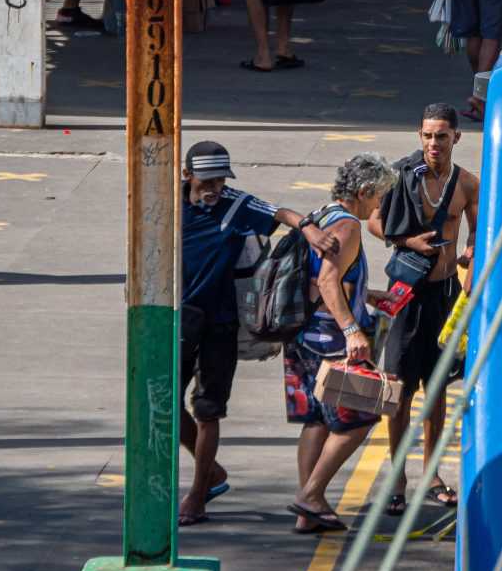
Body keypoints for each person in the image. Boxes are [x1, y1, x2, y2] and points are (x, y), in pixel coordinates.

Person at [178, 140, 338, 526]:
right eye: (207, 180)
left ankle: (198, 496)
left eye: (220, 179)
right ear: (187, 176)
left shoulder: (235, 204)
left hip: (221, 321)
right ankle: (211, 471)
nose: (215, 187)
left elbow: (279, 212)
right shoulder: (167, 203)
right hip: (176, 316)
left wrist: (309, 229)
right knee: (164, 404)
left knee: (208, 410)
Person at [367, 105, 479, 512]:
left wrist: (469, 250)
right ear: (420, 135)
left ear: (456, 138)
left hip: (444, 295)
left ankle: (431, 474)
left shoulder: (467, 183)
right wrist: (407, 241)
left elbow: (479, 229)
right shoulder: (401, 177)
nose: (434, 144)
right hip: (406, 293)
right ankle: (396, 478)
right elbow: (374, 222)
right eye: (428, 136)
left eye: (442, 136)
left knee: (435, 392)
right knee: (397, 387)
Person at [285, 152, 399, 534]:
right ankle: (311, 495)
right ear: (364, 191)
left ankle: (308, 510)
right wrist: (352, 329)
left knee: (317, 420)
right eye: (379, 198)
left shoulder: (322, 214)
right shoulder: (348, 225)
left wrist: (370, 295)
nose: (378, 206)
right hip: (330, 340)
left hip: (304, 333)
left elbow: (328, 281)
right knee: (361, 415)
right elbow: (331, 282)